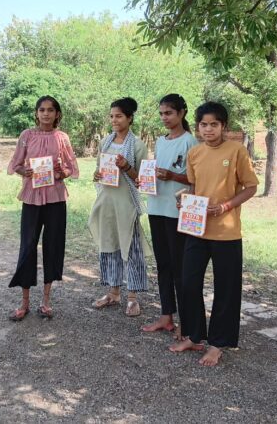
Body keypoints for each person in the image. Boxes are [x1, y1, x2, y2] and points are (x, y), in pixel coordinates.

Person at [169, 102, 258, 366]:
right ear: (198, 127)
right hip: (196, 230)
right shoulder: (195, 153)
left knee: (226, 289)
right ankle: (194, 335)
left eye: (214, 124)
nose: (209, 129)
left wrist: (225, 207)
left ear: (224, 126)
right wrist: (185, 201)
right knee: (188, 282)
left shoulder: (237, 151)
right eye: (204, 125)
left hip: (227, 233)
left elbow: (251, 187)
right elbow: (194, 188)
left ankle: (218, 343)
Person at [6, 96, 79, 320]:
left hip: (56, 198)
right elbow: (16, 164)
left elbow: (71, 167)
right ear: (36, 113)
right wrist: (24, 171)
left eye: (50, 110)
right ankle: (24, 302)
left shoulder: (62, 137)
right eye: (42, 110)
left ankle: (46, 301)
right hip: (31, 198)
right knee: (28, 246)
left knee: (53, 245)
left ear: (57, 114)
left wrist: (61, 173)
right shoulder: (27, 135)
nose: (46, 114)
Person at [141, 94, 197, 337]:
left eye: (169, 113)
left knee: (179, 266)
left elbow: (196, 179)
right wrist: (147, 178)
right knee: (162, 264)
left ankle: (187, 322)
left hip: (177, 211)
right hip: (156, 207)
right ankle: (166, 316)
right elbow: (156, 170)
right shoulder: (160, 141)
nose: (164, 118)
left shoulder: (190, 142)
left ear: (182, 113)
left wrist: (173, 176)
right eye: (162, 113)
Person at [89, 97, 150, 317]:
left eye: (119, 116)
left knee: (131, 249)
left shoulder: (138, 146)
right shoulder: (106, 142)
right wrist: (97, 174)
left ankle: (133, 298)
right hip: (107, 202)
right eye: (112, 116)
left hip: (126, 204)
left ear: (130, 118)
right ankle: (113, 293)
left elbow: (143, 180)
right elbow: (99, 169)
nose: (114, 120)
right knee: (109, 245)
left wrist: (127, 167)